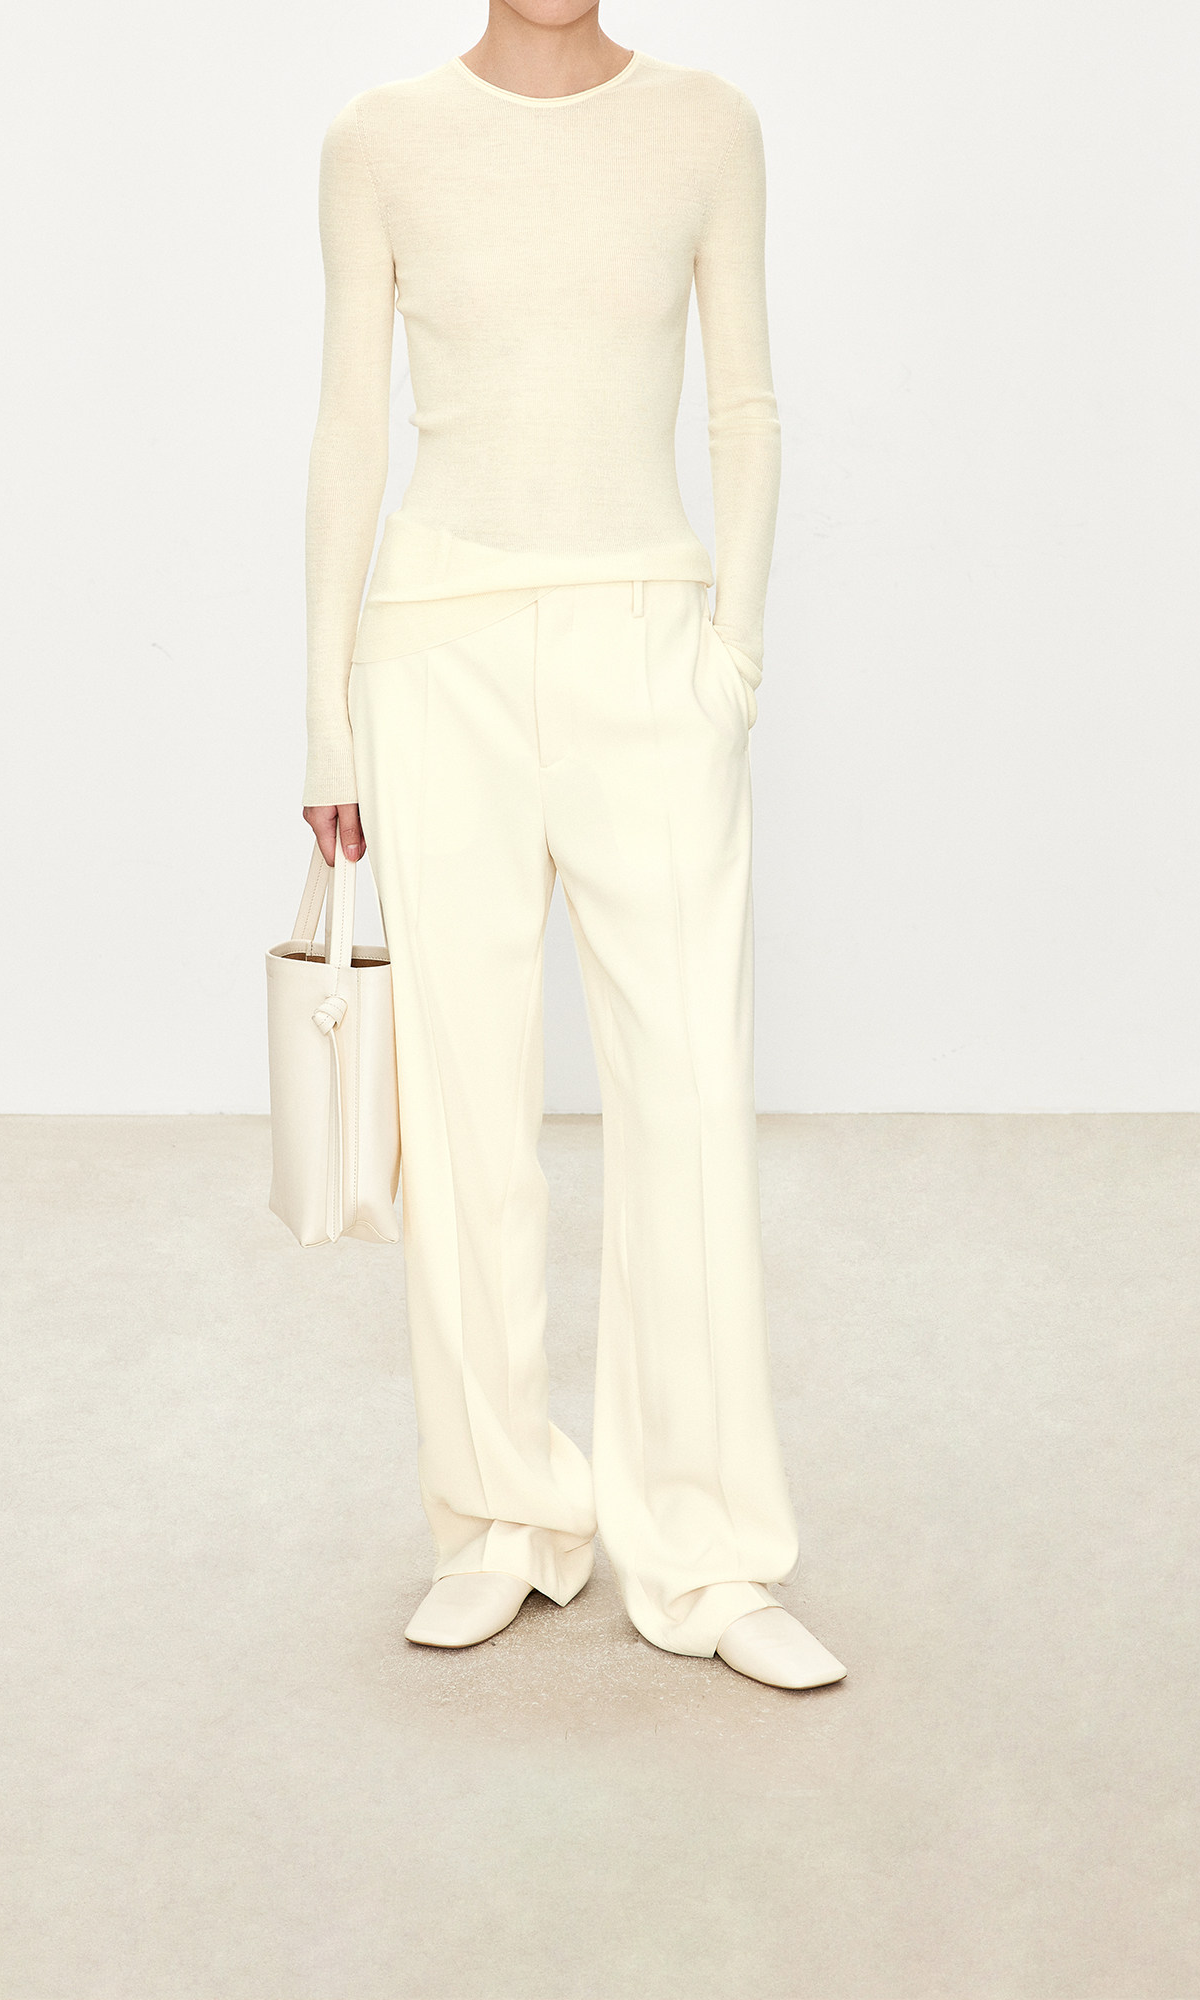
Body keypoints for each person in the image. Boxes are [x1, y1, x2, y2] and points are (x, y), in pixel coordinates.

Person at [298, 0, 845, 1691]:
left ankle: (707, 1550)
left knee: (688, 1093)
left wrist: (730, 655)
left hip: (649, 650)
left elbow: (746, 407)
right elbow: (349, 423)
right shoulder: (381, 138)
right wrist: (327, 716)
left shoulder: (708, 124)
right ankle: (500, 1520)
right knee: (465, 1105)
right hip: (434, 654)